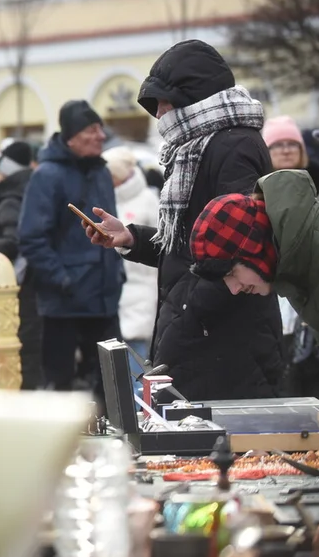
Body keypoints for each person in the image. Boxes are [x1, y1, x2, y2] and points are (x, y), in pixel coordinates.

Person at [84, 39, 283, 401]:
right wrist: (130, 237)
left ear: (193, 96)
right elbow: (189, 245)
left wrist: (184, 315)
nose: (159, 114)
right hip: (202, 331)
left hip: (223, 340)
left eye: (164, 101)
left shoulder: (233, 145)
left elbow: (235, 250)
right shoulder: (195, 146)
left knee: (221, 451)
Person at [18, 100, 124, 393]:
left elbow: (110, 230)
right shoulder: (47, 176)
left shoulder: (102, 172)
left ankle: (117, 440)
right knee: (61, 391)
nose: (101, 136)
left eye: (101, 129)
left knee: (113, 389)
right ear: (71, 136)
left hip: (104, 300)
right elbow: (31, 238)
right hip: (64, 305)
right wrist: (64, 280)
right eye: (92, 130)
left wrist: (117, 274)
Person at [189, 169, 319, 335]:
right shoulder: (293, 261)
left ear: (253, 246)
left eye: (231, 272)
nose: (234, 289)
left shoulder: (312, 253)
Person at [0, 140, 42, 389]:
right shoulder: (19, 195)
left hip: (19, 288)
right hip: (25, 288)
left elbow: (11, 244)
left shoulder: (10, 200)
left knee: (23, 351)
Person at [103, 146, 159, 375]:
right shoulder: (107, 198)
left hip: (142, 285)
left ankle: (140, 406)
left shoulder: (148, 199)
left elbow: (159, 238)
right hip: (116, 285)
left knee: (138, 352)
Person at [263, 116, 319, 195]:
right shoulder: (256, 189)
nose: (286, 151)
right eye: (278, 145)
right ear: (266, 151)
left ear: (301, 149)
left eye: (292, 144)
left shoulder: (317, 180)